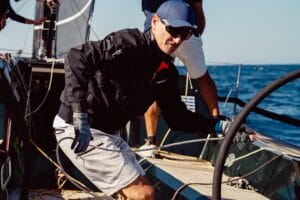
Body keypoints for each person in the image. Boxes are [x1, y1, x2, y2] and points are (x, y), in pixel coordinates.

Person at [52, 1, 220, 199]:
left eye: (185, 34)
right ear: (155, 22)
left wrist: (217, 126)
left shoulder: (167, 75)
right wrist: (79, 113)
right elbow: (77, 57)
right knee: (144, 194)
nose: (176, 40)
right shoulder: (128, 43)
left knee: (136, 193)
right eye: (173, 30)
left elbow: (177, 118)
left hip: (109, 135)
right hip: (79, 129)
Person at [139, 0, 219, 157]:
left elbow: (148, 15)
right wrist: (194, 36)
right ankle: (218, 123)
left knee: (153, 82)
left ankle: (151, 143)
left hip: (158, 34)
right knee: (202, 77)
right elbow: (198, 8)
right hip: (186, 32)